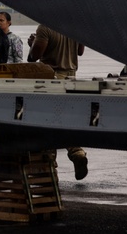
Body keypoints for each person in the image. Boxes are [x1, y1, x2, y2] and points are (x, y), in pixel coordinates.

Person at [28, 25, 89, 180]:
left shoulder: (45, 27)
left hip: (52, 78)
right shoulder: (74, 25)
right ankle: (77, 152)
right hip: (72, 78)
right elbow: (80, 51)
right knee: (65, 119)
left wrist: (32, 44)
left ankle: (50, 167)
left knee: (48, 122)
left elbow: (34, 56)